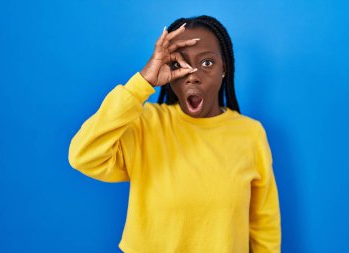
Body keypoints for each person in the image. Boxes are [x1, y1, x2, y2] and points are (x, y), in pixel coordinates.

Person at [68, 15, 281, 253]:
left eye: (207, 63)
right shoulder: (146, 124)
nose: (193, 74)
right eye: (179, 64)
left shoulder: (250, 134)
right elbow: (83, 155)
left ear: (224, 69)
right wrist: (143, 82)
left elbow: (264, 222)